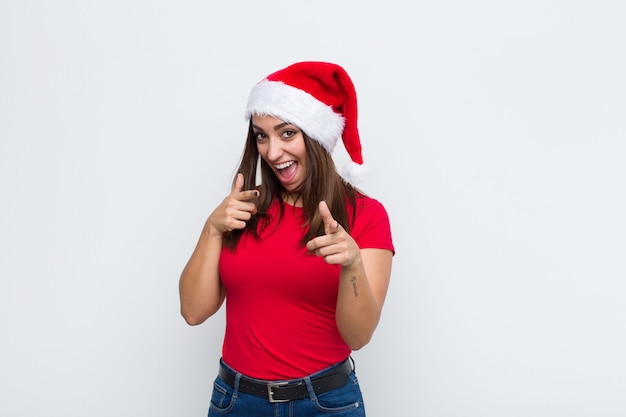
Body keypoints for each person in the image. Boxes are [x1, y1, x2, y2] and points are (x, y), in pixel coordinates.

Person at [179, 61, 395, 416]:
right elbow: (192, 312)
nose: (272, 152)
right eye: (261, 135)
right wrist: (211, 229)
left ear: (316, 134)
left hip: (324, 404)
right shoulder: (243, 210)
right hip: (236, 401)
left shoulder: (366, 216)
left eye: (287, 133)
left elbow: (358, 337)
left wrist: (352, 264)